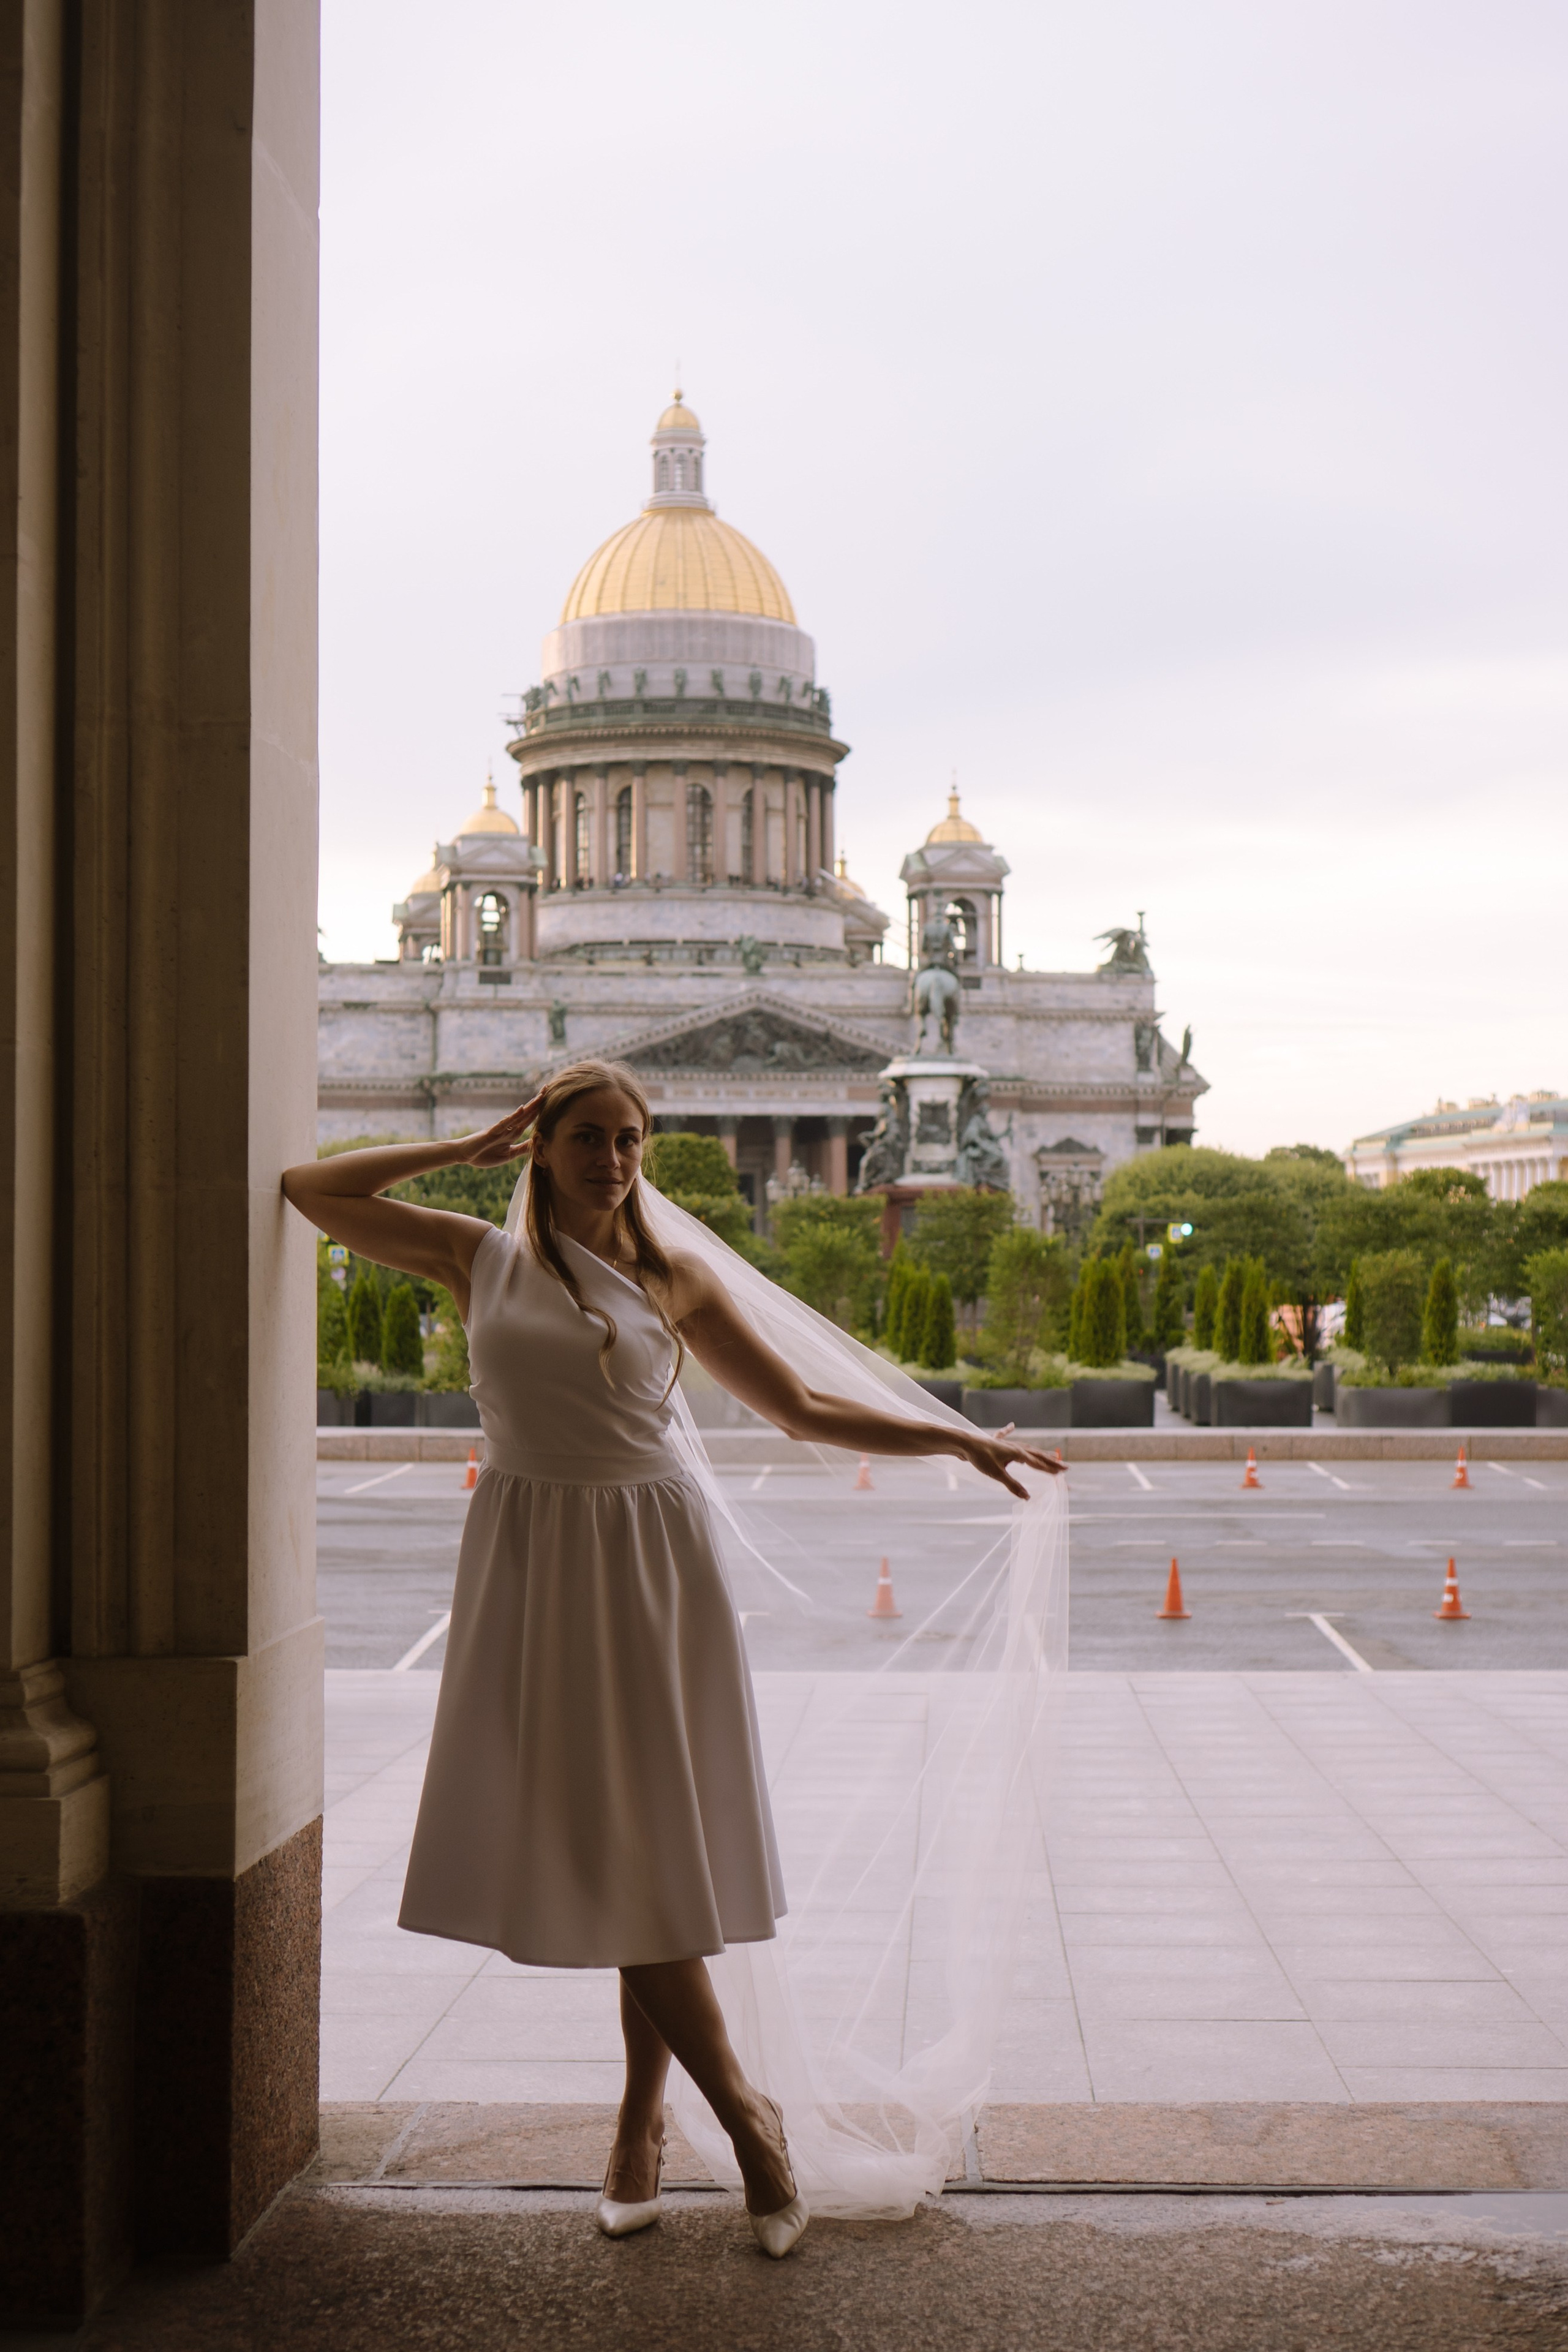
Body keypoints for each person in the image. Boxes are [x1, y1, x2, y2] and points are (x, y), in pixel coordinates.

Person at [282, 1060, 1063, 2257]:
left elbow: (800, 1407)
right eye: (585, 1137)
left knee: (635, 1841)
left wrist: (954, 1440)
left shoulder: (672, 1272)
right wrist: (461, 1146)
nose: (610, 1159)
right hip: (530, 1559)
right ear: (539, 1147)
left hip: (649, 1562)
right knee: (611, 1846)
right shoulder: (473, 1255)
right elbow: (307, 1188)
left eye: (629, 1139)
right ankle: (691, 2116)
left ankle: (705, 2128)